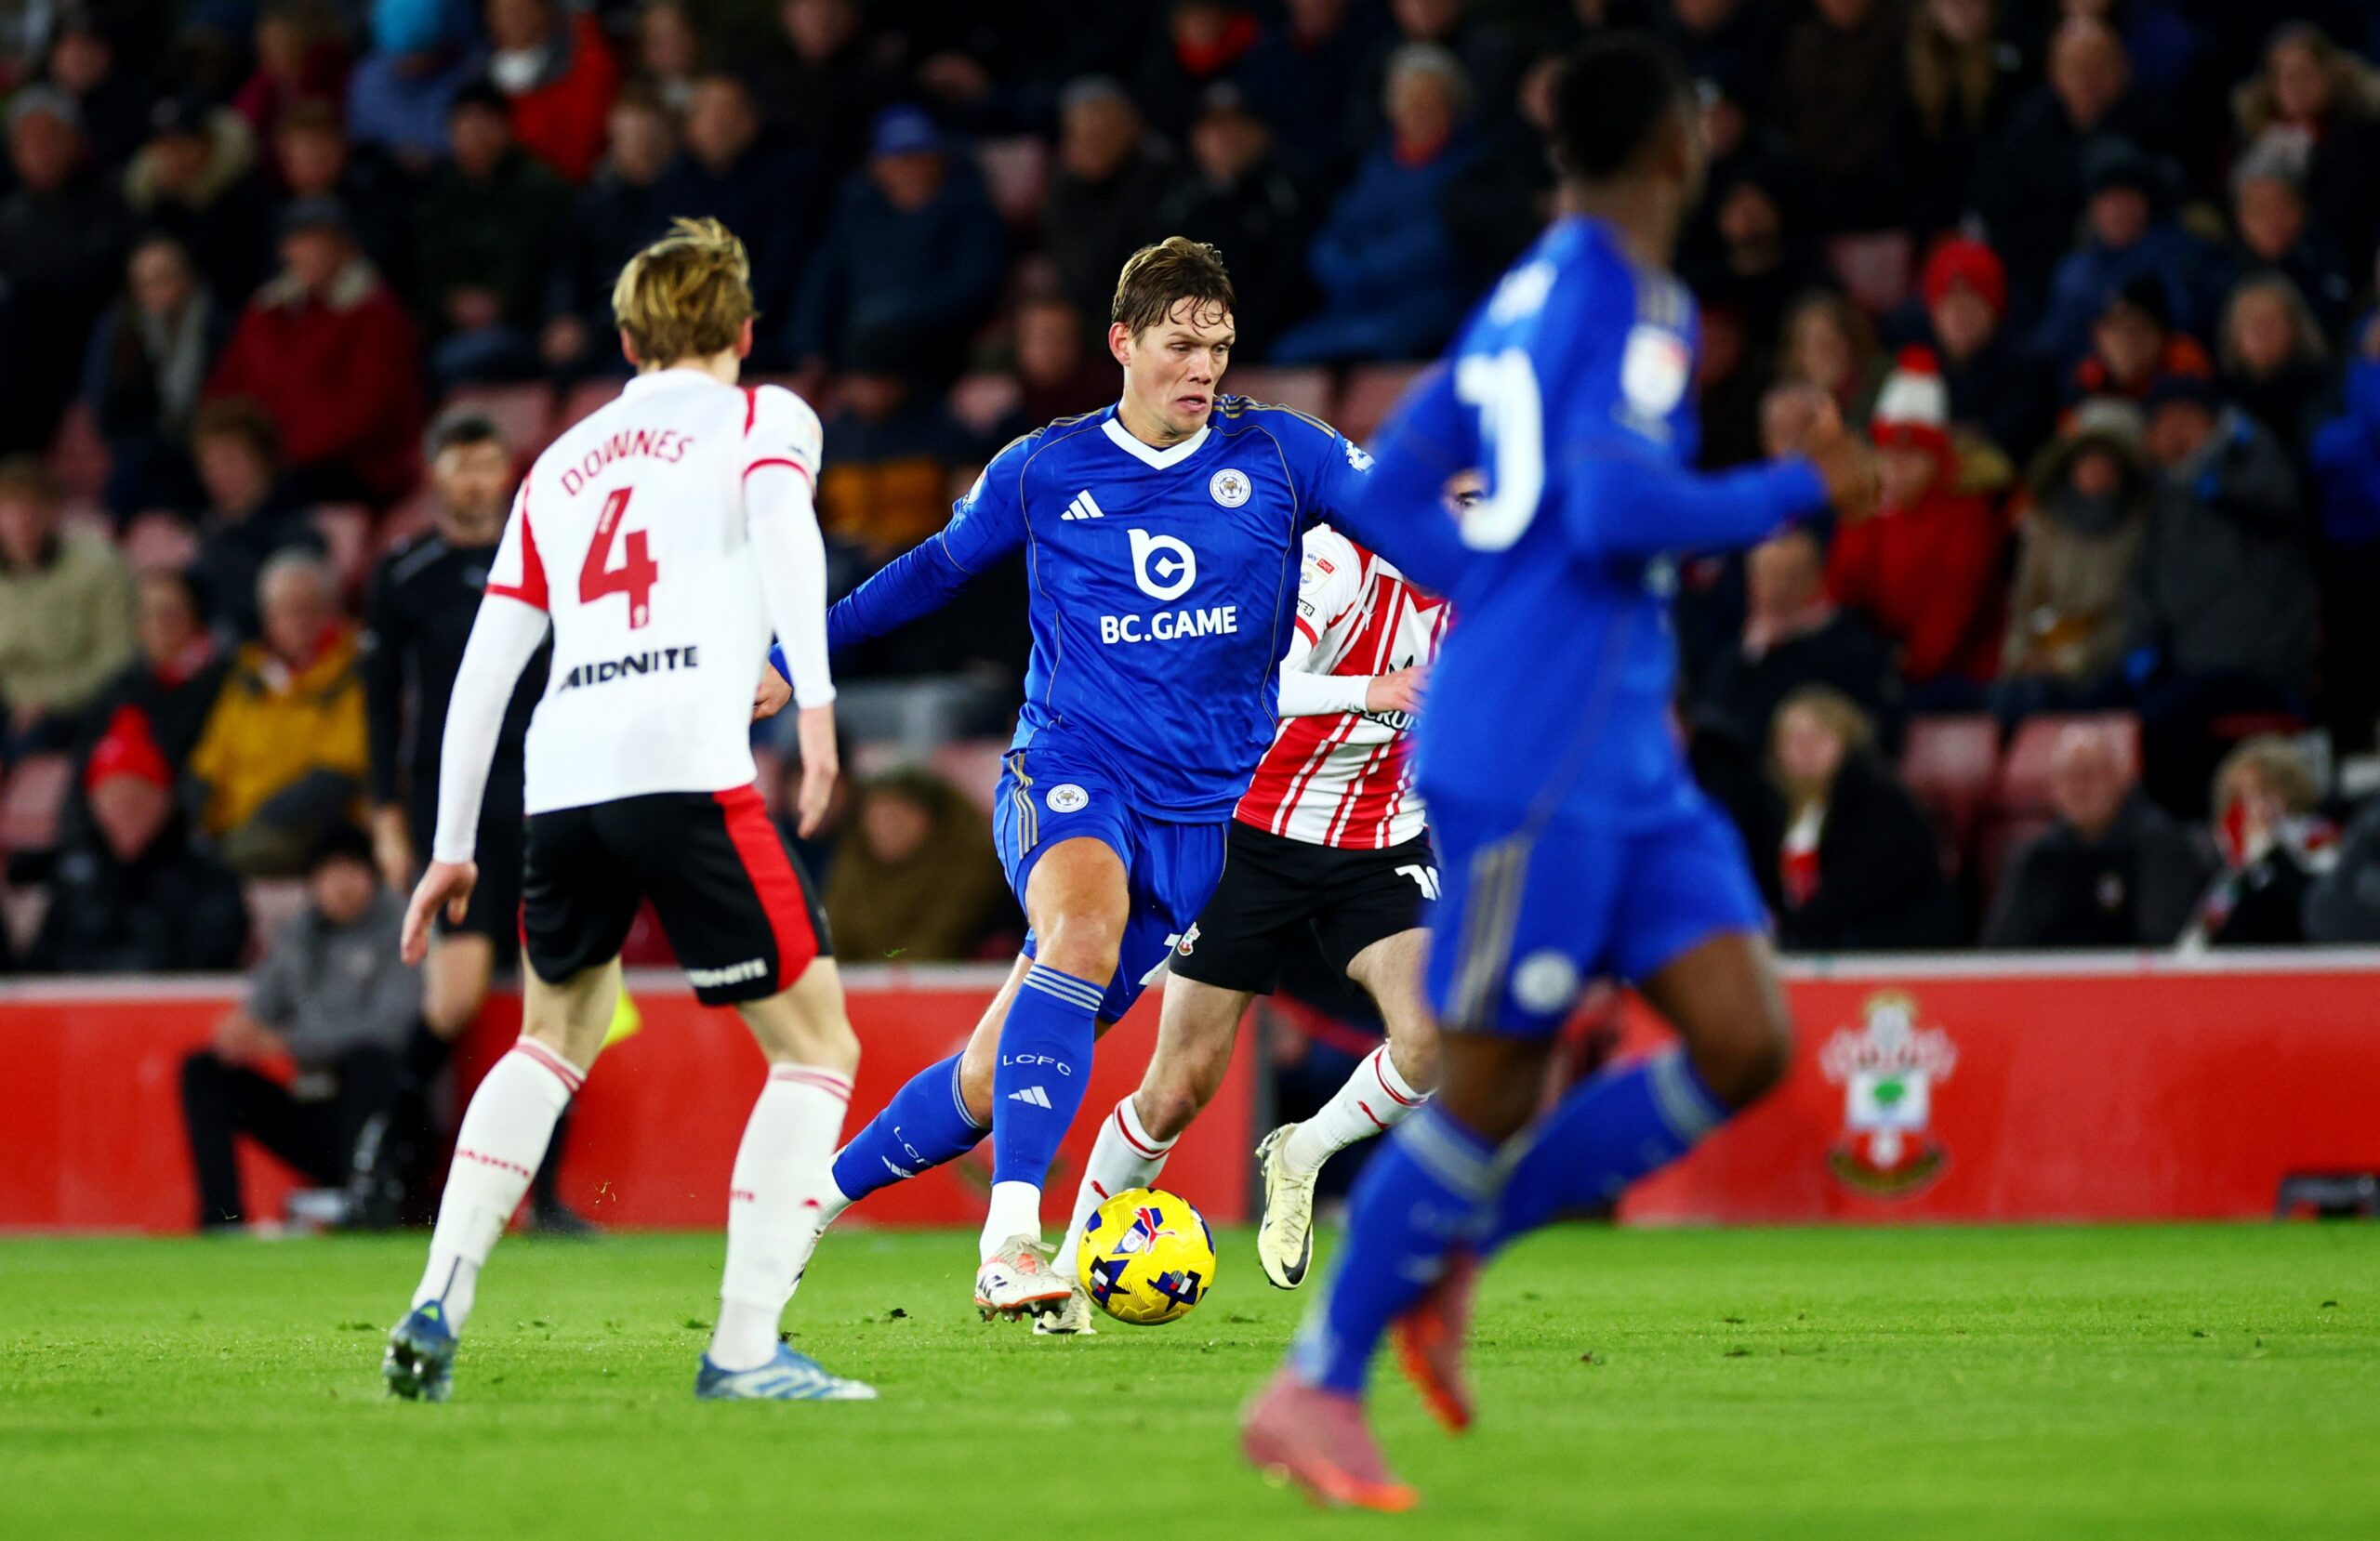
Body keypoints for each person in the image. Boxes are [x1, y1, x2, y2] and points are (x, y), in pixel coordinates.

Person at [1238, 36, 1872, 1508]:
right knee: (1487, 1084)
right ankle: (1315, 1381)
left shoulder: (1524, 294)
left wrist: (1495, 580)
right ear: (1675, 147)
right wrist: (1797, 488)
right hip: (1536, 747)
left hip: (1624, 748)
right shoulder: (1634, 300)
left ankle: (1454, 1252)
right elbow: (1606, 507)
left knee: (1744, 1038)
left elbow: (1393, 487)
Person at [791, 236, 1379, 1325]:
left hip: (1202, 825)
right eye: (1179, 345)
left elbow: (1418, 535)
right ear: (1121, 342)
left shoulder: (1283, 453)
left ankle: (806, 1205)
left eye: (1218, 347)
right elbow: (933, 569)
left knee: (986, 1080)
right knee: (1079, 932)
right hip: (1071, 765)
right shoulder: (1045, 467)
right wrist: (800, 658)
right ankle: (1010, 1241)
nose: (1201, 367)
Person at [380, 217, 867, 1404]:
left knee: (552, 1034)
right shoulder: (764, 416)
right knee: (817, 1047)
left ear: (627, 339)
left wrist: (452, 845)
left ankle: (437, 1297)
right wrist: (814, 702)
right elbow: (785, 533)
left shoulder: (557, 463)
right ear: (743, 328)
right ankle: (744, 1348)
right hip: (682, 761)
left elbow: (485, 667)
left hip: (560, 780)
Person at [1051, 513, 1451, 1324]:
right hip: (1249, 837)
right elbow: (1248, 685)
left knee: (1432, 1038)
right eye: (1466, 497)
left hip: (1379, 843)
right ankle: (1067, 1278)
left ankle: (1300, 1153)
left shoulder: (1498, 590)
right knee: (1176, 1090)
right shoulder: (1336, 561)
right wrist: (1369, 691)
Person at [363, 409, 589, 1234]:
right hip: (451, 809)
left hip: (546, 795)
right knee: (453, 1001)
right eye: (459, 463)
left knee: (556, 992)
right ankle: (380, 1170)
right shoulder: (405, 572)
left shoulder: (551, 558)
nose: (474, 478)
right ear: (434, 474)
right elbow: (380, 704)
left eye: (487, 462)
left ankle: (548, 1198)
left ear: (506, 472)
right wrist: (387, 817)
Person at [178, 823, 415, 1230]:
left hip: (390, 1123)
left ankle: (363, 1202)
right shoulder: (302, 934)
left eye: (352, 869)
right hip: (315, 1108)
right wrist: (240, 1031)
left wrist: (290, 1043)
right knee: (204, 1072)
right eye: (328, 873)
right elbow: (261, 1008)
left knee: (369, 1061)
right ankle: (221, 1219)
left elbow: (392, 1029)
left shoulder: (401, 926)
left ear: (372, 876)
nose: (341, 885)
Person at [1271, 44, 1479, 365]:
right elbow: (1336, 233)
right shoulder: (1376, 167)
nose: (1416, 109)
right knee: (1289, 351)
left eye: (1428, 98)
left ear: (1452, 105)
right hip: (1354, 305)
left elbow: (1439, 242)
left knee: (1375, 345)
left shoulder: (1471, 169)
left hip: (1428, 308)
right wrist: (1337, 267)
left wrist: (1367, 271)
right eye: (1407, 99)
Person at [205, 199, 422, 505]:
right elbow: (226, 388)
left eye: (319, 243)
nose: (308, 253)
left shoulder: (374, 313)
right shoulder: (265, 312)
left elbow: (368, 414)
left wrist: (281, 454)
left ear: (345, 249)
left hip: (350, 470)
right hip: (270, 464)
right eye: (299, 243)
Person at [1824, 348, 2003, 700]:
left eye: (1911, 457)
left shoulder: (1967, 516)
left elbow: (1953, 609)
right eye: (1888, 455)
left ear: (1937, 461)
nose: (1897, 467)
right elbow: (1842, 590)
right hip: (1882, 667)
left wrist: (1904, 670)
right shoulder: (1867, 509)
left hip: (1958, 676)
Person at [186, 551, 369, 876]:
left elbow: (342, 767)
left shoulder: (354, 670)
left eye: (310, 608)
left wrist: (258, 823)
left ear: (332, 610)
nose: (299, 620)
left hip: (311, 827)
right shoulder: (249, 674)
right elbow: (213, 756)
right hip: (234, 824)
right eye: (286, 610)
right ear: (268, 617)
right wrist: (193, 813)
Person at [37, 705, 251, 973]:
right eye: (111, 799)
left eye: (137, 797)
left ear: (164, 800)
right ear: (93, 804)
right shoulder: (75, 874)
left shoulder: (204, 874)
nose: (124, 811)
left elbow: (214, 956)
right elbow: (43, 963)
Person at [1981, 721, 2208, 948]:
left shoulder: (2160, 846)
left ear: (2121, 778)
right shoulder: (2037, 857)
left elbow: (2163, 946)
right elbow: (2003, 948)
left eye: (2089, 773)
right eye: (2067, 776)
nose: (2078, 787)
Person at [1767, 685, 1960, 953]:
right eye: (1792, 739)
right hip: (1815, 942)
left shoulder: (1880, 800)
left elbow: (1861, 887)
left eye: (1817, 737)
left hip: (1887, 947)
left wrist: (1794, 925)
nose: (1805, 749)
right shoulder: (1778, 806)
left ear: (1847, 741)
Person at [410, 82, 572, 388]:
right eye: (465, 128)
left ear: (506, 128)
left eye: (484, 125)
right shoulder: (436, 191)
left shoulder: (540, 189)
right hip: (446, 324)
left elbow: (551, 267)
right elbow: (423, 267)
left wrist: (500, 303)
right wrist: (451, 302)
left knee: (452, 362)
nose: (476, 137)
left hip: (524, 325)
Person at [83, 233, 229, 518]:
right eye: (146, 282)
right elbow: (103, 403)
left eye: (166, 276)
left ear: (188, 277)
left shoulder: (216, 326)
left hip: (203, 442)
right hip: (139, 448)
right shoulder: (119, 332)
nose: (159, 289)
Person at [0, 457, 137, 761]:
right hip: (10, 702)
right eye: (10, 509)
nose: (22, 521)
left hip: (76, 706)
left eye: (32, 507)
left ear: (55, 512)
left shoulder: (100, 565)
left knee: (27, 743)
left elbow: (116, 659)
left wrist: (48, 700)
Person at [822, 769, 1011, 963]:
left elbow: (936, 944)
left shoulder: (970, 874)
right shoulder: (853, 868)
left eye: (897, 817)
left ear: (932, 822)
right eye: (876, 818)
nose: (885, 829)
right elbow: (835, 940)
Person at [184, 399, 325, 640]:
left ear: (263, 460)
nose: (217, 474)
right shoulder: (209, 533)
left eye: (229, 459)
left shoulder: (296, 534)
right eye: (209, 464)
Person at [2180, 735, 2330, 949]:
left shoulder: (2319, 841)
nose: (2253, 809)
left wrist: (2272, 853)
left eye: (2262, 794)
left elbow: (2314, 910)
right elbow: (2200, 938)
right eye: (2243, 797)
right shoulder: (2233, 866)